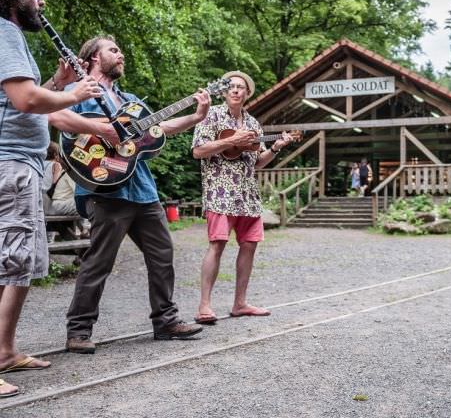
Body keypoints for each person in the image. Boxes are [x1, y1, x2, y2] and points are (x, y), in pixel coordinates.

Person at [0, 0, 118, 398]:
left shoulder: (11, 38)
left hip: (23, 162)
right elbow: (27, 99)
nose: (41, 0)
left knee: (19, 261)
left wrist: (58, 80)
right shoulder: (3, 31)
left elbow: (18, 102)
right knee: (5, 260)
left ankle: (6, 350)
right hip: (8, 162)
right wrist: (74, 92)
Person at [65, 35, 211, 354]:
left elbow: (158, 129)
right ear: (92, 57)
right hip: (105, 186)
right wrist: (104, 129)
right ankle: (78, 330)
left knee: (162, 255)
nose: (121, 55)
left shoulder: (130, 100)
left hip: (142, 189)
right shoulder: (76, 91)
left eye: (121, 50)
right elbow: (60, 122)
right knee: (99, 262)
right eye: (114, 50)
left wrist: (195, 117)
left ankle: (166, 321)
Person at [192, 70, 293, 324]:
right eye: (231, 87)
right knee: (218, 244)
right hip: (220, 194)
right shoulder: (211, 116)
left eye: (241, 87)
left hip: (247, 195)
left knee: (250, 246)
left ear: (247, 94)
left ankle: (240, 303)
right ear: (225, 92)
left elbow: (256, 163)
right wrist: (232, 140)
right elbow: (198, 151)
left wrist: (275, 148)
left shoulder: (253, 125)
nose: (236, 90)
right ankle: (204, 306)